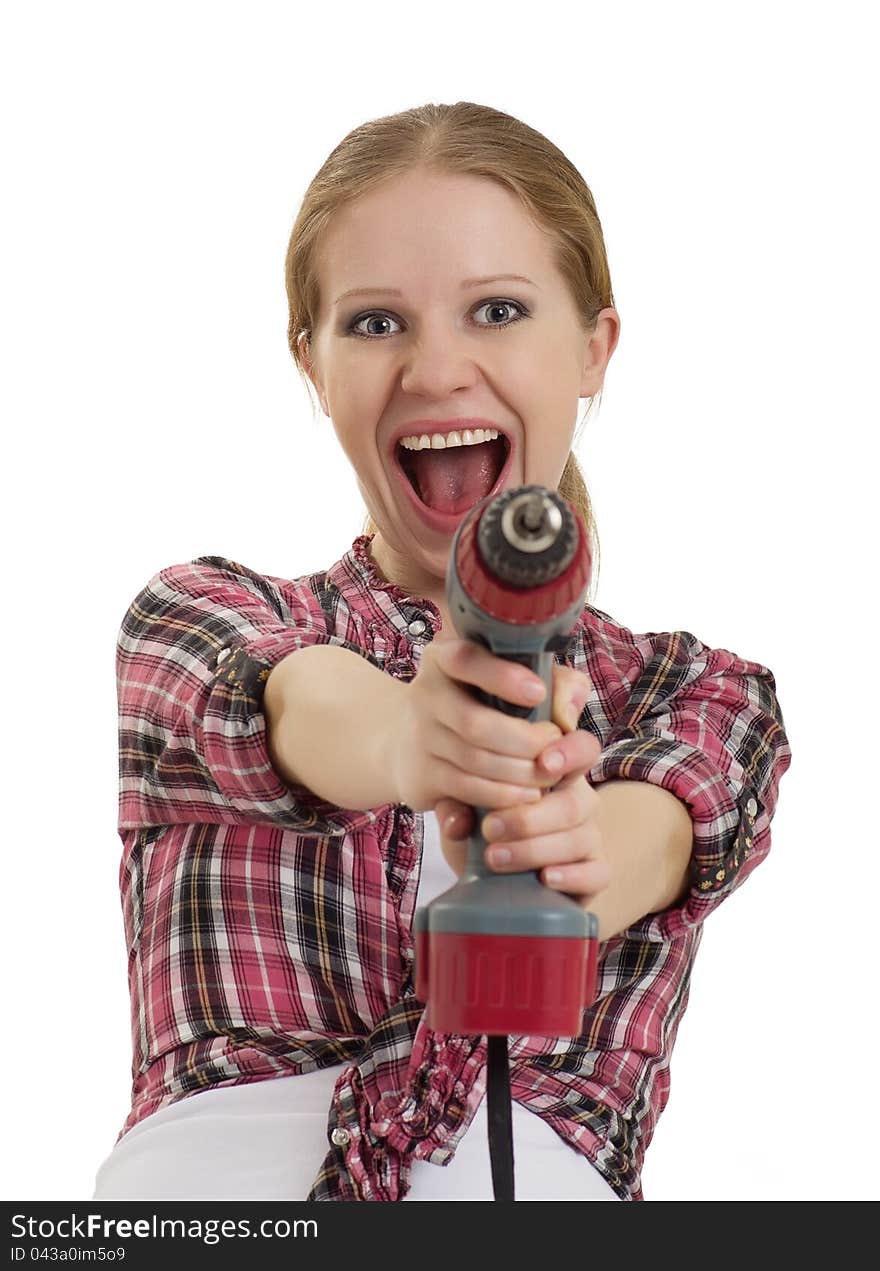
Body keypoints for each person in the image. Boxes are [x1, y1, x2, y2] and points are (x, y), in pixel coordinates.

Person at [92, 101, 792, 1203]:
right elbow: (303, 706)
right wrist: (413, 737)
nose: (434, 368)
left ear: (592, 349)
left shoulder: (699, 694)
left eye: (498, 310)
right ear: (310, 364)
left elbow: (646, 832)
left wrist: (560, 853)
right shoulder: (199, 614)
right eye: (374, 323)